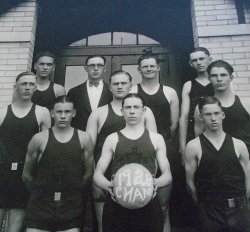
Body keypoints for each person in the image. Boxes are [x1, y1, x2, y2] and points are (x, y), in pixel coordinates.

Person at [86, 71, 157, 232]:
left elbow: (154, 148)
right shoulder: (98, 113)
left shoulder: (146, 112)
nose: (119, 86)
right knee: (105, 224)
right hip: (106, 177)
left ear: (131, 86)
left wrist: (151, 179)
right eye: (115, 84)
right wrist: (95, 181)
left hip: (140, 179)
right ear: (109, 87)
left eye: (123, 83)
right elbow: (89, 151)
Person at [94, 93, 172, 232]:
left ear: (144, 110)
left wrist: (155, 184)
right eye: (128, 107)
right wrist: (109, 186)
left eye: (136, 107)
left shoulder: (156, 138)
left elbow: (167, 175)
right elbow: (97, 175)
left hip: (147, 203)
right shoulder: (112, 139)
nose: (131, 111)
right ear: (121, 111)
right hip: (117, 204)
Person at [23, 95, 94, 232]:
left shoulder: (84, 138)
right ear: (52, 113)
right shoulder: (39, 139)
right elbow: (27, 175)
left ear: (73, 113)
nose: (62, 116)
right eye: (59, 112)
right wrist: (41, 194)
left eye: (67, 112)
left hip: (71, 205)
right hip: (40, 205)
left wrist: (73, 194)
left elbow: (88, 174)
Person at [185, 96, 250, 231]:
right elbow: (190, 184)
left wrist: (242, 204)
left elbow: (248, 182)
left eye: (216, 113)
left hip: (239, 210)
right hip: (209, 212)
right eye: (208, 114)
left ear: (223, 115)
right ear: (201, 117)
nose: (213, 118)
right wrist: (205, 207)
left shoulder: (239, 145)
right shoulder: (193, 146)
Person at [131, 54, 178, 231]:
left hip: (164, 145)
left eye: (152, 66)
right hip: (139, 146)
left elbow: (174, 124)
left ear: (158, 68)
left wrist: (162, 141)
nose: (149, 69)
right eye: (145, 66)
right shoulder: (133, 90)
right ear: (139, 69)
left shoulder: (169, 92)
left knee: (163, 199)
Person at [0, 71, 51, 232]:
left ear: (35, 88)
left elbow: (46, 147)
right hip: (2, 172)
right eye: (24, 84)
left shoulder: (42, 112)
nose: (27, 87)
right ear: (16, 87)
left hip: (25, 174)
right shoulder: (2, 112)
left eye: (31, 84)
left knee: (15, 226)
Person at [206, 60, 250, 153]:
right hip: (218, 160)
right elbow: (199, 137)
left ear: (231, 77)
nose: (219, 79)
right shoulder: (203, 107)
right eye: (214, 76)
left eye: (223, 75)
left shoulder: (246, 103)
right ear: (209, 78)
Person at [179, 47, 213, 160]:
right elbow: (183, 117)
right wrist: (182, 147)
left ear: (210, 59)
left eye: (202, 58)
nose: (198, 63)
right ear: (190, 63)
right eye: (194, 60)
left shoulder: (217, 82)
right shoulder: (188, 85)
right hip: (194, 132)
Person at [67, 55, 112, 131]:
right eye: (92, 65)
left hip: (105, 136)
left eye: (99, 65)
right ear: (85, 68)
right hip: (80, 135)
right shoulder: (74, 92)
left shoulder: (112, 91)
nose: (96, 68)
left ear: (104, 68)